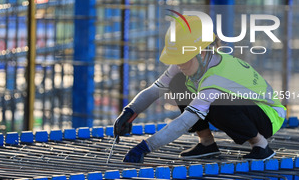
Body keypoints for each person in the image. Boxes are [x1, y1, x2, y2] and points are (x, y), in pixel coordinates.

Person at [113, 15, 286, 163]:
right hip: (247, 109)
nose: (179, 63)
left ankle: (260, 145)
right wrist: (129, 112)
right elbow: (153, 90)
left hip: (268, 116)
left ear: (202, 53)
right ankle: (207, 144)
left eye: (182, 58)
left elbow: (185, 121)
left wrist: (146, 147)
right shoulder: (188, 62)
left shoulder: (217, 77)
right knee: (177, 81)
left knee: (218, 103)